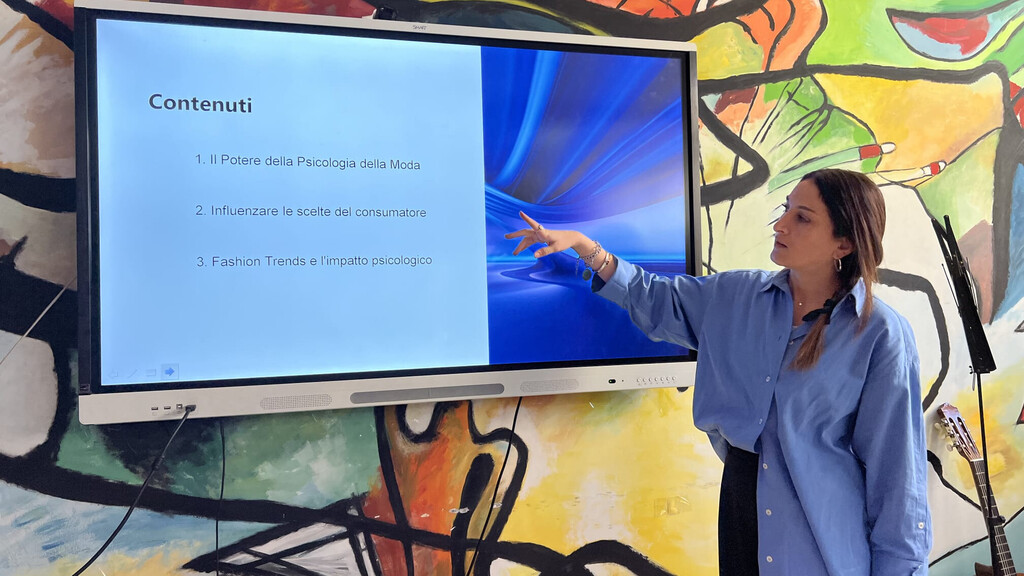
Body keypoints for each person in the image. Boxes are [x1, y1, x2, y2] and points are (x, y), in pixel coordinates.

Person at [505, 169, 931, 576]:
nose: (780, 225)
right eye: (785, 209)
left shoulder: (879, 333)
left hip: (823, 539)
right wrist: (585, 246)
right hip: (740, 510)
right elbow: (654, 298)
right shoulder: (736, 296)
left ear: (844, 243)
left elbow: (897, 477)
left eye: (802, 218)